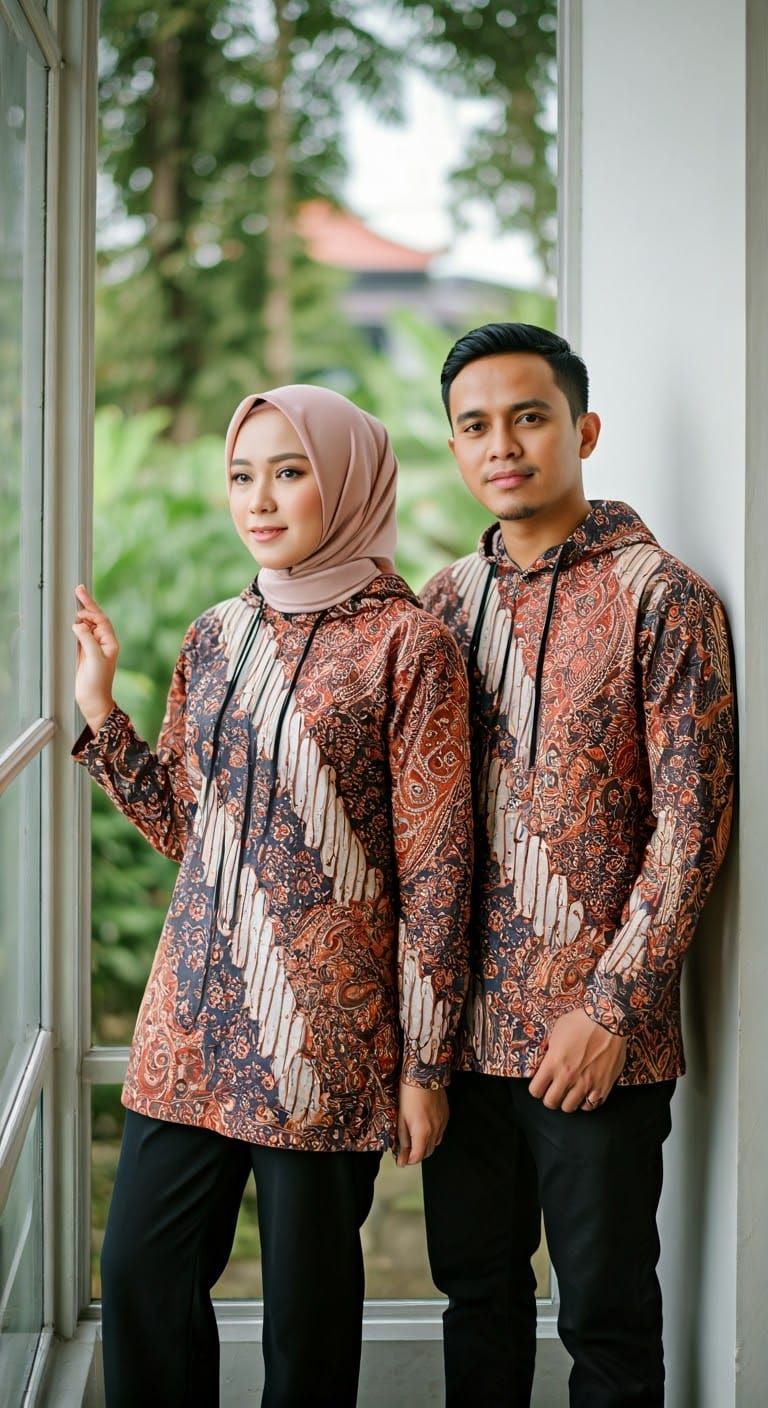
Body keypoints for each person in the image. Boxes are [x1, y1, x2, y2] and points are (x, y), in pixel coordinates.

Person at [72, 384, 473, 1408]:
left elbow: (436, 872)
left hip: (322, 1034)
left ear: (345, 482)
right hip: (190, 1022)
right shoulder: (215, 637)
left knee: (306, 1317)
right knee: (140, 1274)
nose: (261, 498)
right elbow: (184, 826)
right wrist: (100, 709)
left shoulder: (407, 644)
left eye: (290, 471)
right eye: (243, 474)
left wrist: (424, 1065)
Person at [419, 322, 735, 1408]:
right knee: (477, 1297)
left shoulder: (665, 597)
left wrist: (609, 1008)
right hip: (464, 1037)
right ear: (456, 448)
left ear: (583, 428)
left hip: (601, 1041)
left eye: (530, 415)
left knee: (605, 1314)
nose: (503, 443)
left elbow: (693, 826)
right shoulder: (442, 604)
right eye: (476, 424)